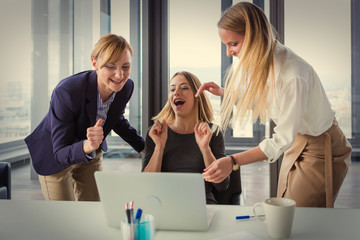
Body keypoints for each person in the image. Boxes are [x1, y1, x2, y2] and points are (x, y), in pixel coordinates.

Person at [197, 2, 352, 207]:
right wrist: (225, 93)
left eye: (233, 44)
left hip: (321, 146)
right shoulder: (266, 61)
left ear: (254, 36)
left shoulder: (293, 74)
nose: (228, 53)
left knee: (301, 215)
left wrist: (233, 161)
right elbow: (268, 101)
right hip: (298, 140)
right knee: (287, 209)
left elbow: (281, 140)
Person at [25, 34, 145, 201]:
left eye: (125, 67)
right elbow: (60, 152)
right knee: (65, 217)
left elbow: (116, 119)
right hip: (56, 156)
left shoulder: (126, 87)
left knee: (93, 209)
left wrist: (144, 147)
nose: (120, 75)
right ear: (94, 63)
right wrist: (88, 145)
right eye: (111, 66)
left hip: (90, 154)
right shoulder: (67, 91)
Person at [142, 71, 229, 204]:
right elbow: (146, 184)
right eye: (172, 89)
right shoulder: (156, 133)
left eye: (184, 87)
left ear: (197, 95)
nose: (176, 92)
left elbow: (222, 185)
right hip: (164, 203)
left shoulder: (213, 132)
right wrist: (159, 147)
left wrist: (205, 148)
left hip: (202, 204)